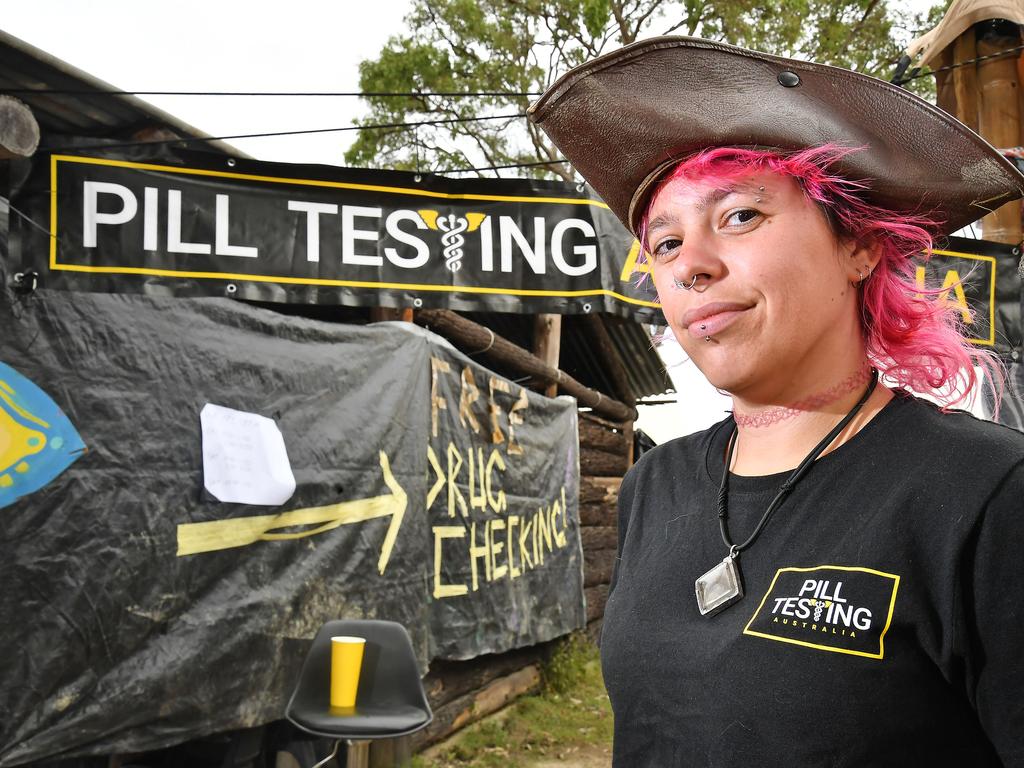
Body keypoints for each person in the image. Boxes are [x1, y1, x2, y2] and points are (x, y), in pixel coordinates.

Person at [528, 37, 1024, 766]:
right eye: (664, 244)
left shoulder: (988, 494)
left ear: (858, 246)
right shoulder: (653, 486)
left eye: (739, 217)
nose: (691, 265)